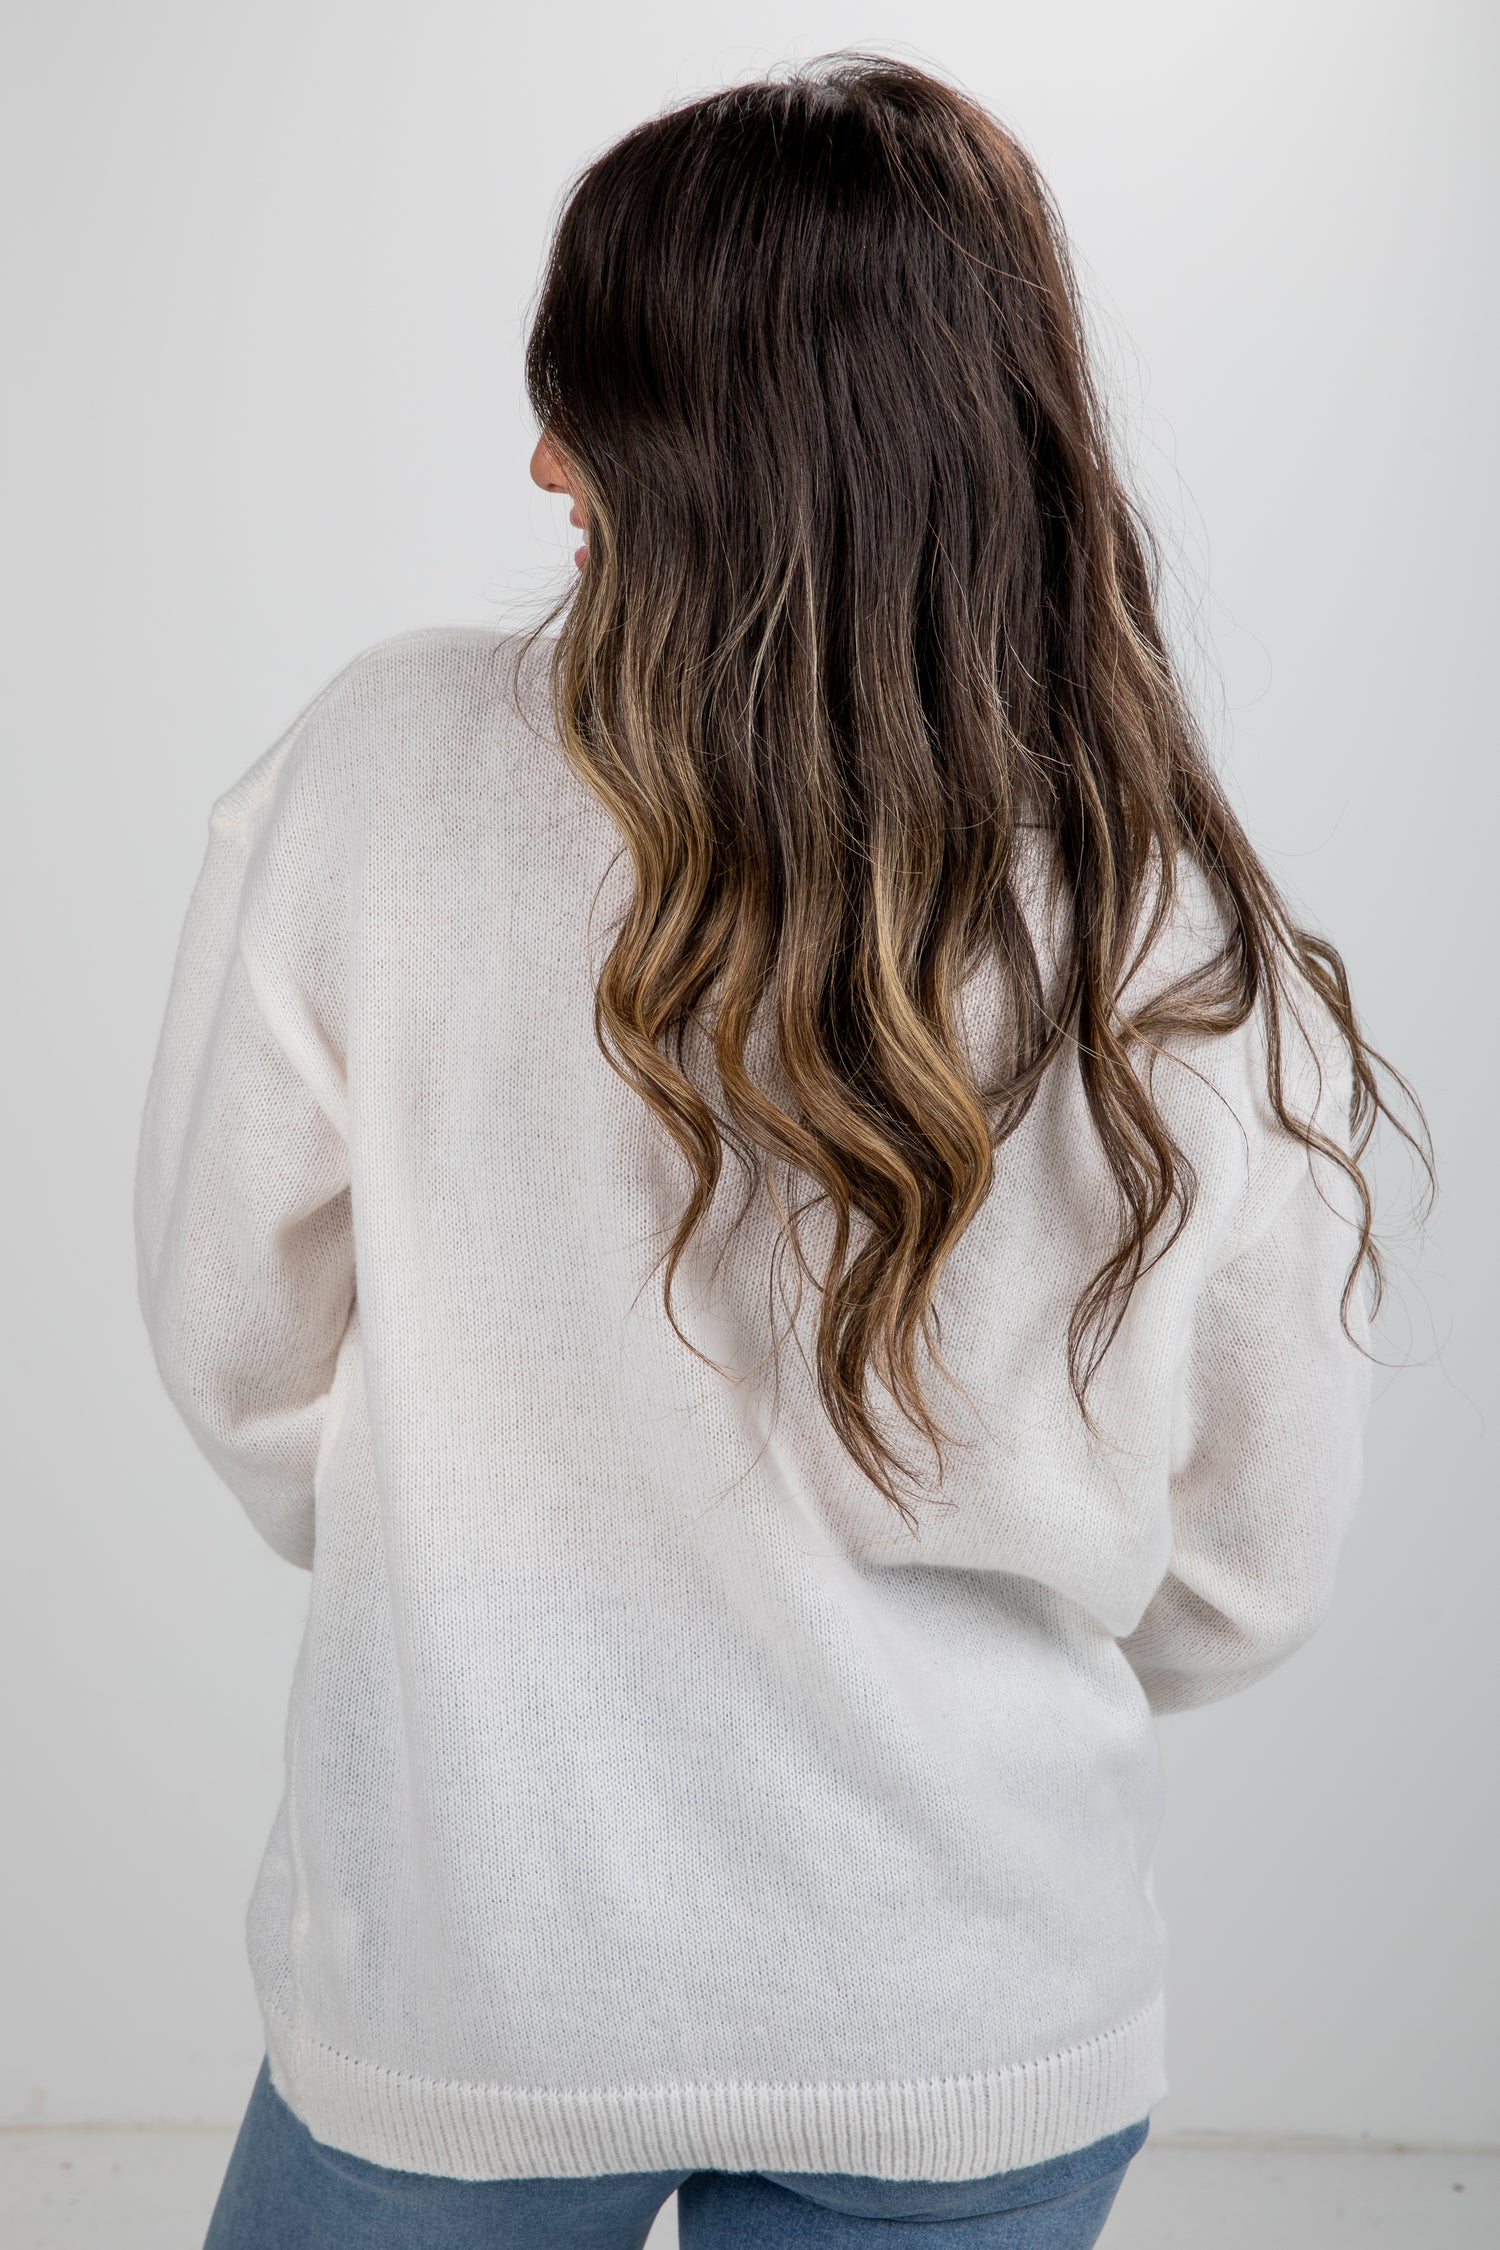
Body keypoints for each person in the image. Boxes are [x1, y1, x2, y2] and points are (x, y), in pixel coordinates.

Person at [134, 51, 1430, 2250]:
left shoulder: (380, 779)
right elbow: (1246, 1569)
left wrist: (492, 1572)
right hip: (968, 1994)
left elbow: (236, 1352)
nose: (537, 456)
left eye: (594, 409)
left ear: (728, 454)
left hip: (467, 1963)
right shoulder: (1168, 918)